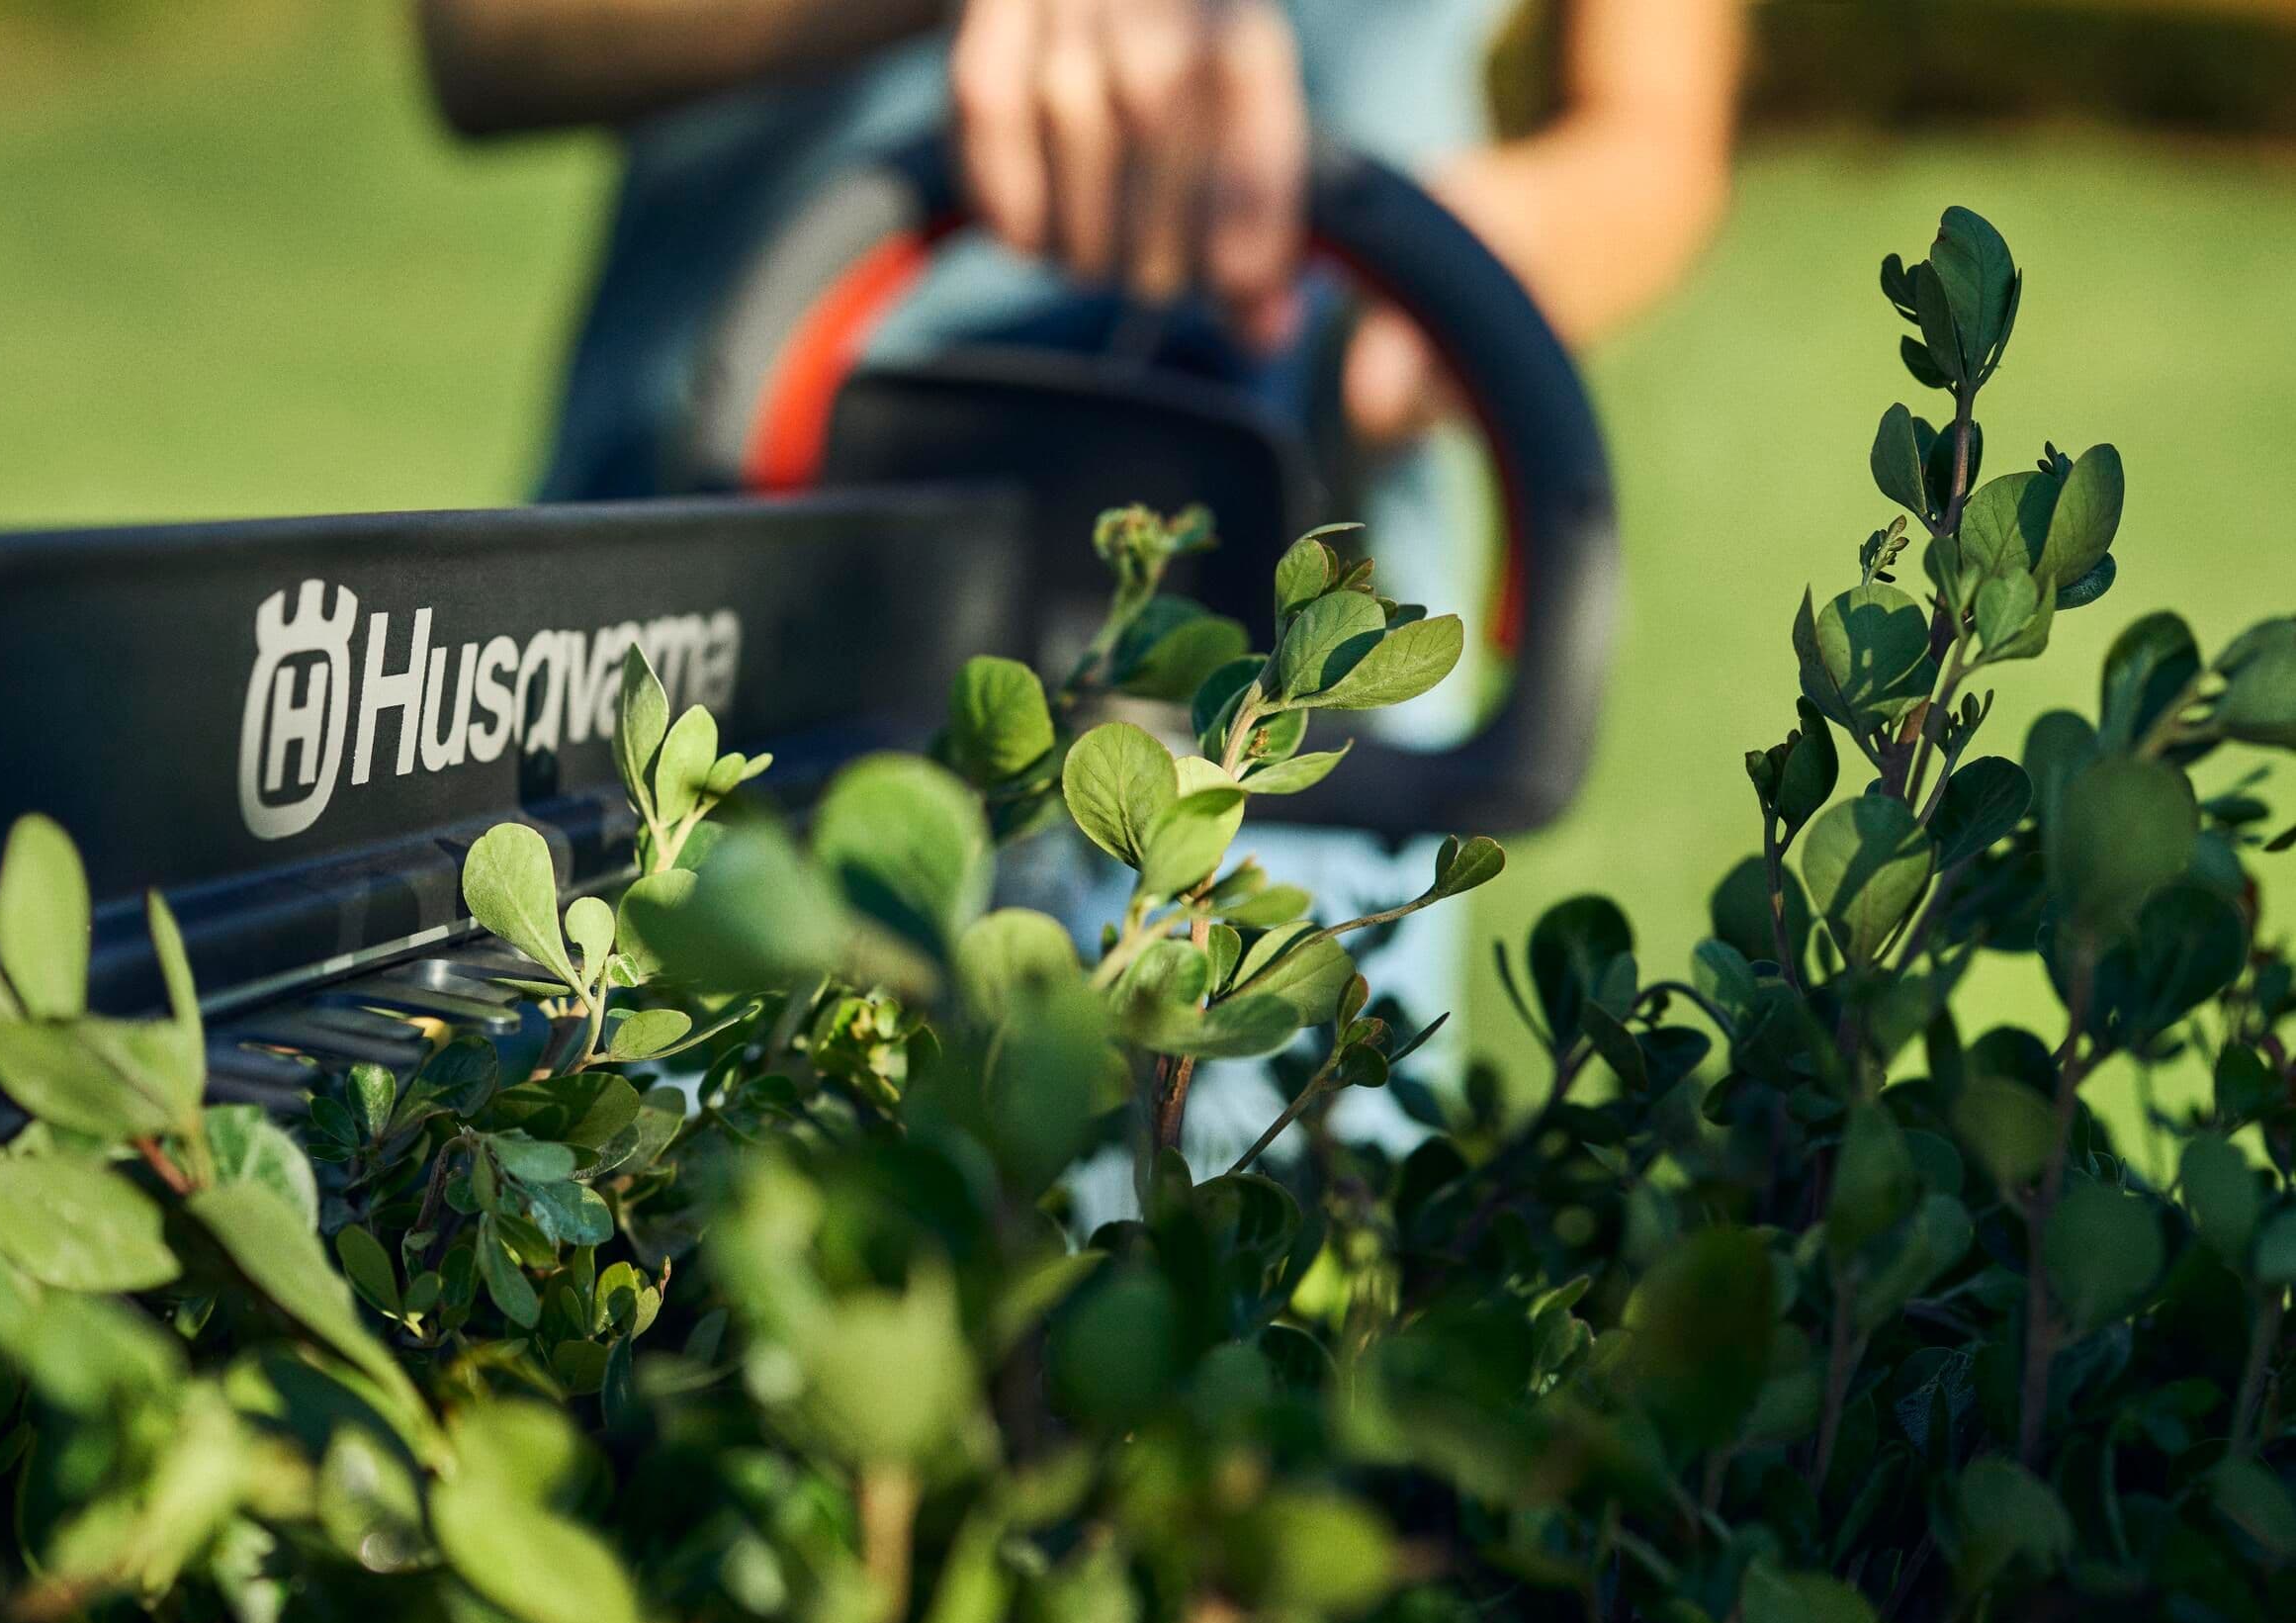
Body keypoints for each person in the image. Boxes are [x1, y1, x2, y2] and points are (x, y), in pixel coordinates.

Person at [418, 0, 1738, 1163]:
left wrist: (1483, 256)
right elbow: (484, 35)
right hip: (713, 640)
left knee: (1244, 1368)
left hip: (1275, 720)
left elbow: (1651, 133)